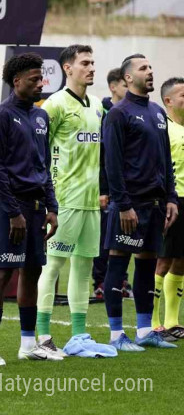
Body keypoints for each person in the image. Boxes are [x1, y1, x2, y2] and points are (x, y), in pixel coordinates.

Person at [34, 45, 113, 357]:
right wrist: (47, 200)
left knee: (84, 266)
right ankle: (42, 335)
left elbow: (100, 154)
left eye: (93, 62)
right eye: (85, 63)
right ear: (67, 68)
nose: (91, 68)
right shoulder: (54, 105)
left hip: (91, 202)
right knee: (53, 266)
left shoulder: (96, 105)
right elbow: (39, 152)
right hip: (63, 201)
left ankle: (79, 335)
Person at [0, 52, 60, 364]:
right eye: (34, 79)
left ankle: (28, 344)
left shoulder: (41, 117)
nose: (41, 84)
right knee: (2, 274)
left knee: (32, 271)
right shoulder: (1, 115)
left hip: (38, 206)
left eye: (41, 78)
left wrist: (52, 206)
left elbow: (44, 164)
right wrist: (13, 212)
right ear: (17, 82)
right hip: (9, 208)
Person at [103, 54, 178, 351]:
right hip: (129, 204)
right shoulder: (118, 114)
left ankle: (145, 330)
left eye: (150, 67)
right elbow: (113, 163)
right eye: (143, 69)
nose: (150, 72)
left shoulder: (158, 112)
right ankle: (115, 335)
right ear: (128, 78)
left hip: (156, 204)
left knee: (146, 266)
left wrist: (170, 198)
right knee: (118, 265)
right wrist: (122, 204)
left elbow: (166, 159)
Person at [94, 68, 131, 299]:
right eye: (125, 85)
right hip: (107, 187)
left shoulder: (131, 111)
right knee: (104, 237)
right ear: (113, 87)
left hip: (128, 186)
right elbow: (101, 155)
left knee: (125, 234)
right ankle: (100, 282)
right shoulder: (103, 112)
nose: (129, 89)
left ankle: (122, 282)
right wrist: (103, 189)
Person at [152, 77, 184, 340]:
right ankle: (153, 323)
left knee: (181, 261)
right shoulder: (164, 129)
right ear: (168, 101)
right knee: (162, 260)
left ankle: (173, 321)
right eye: (183, 94)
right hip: (172, 201)